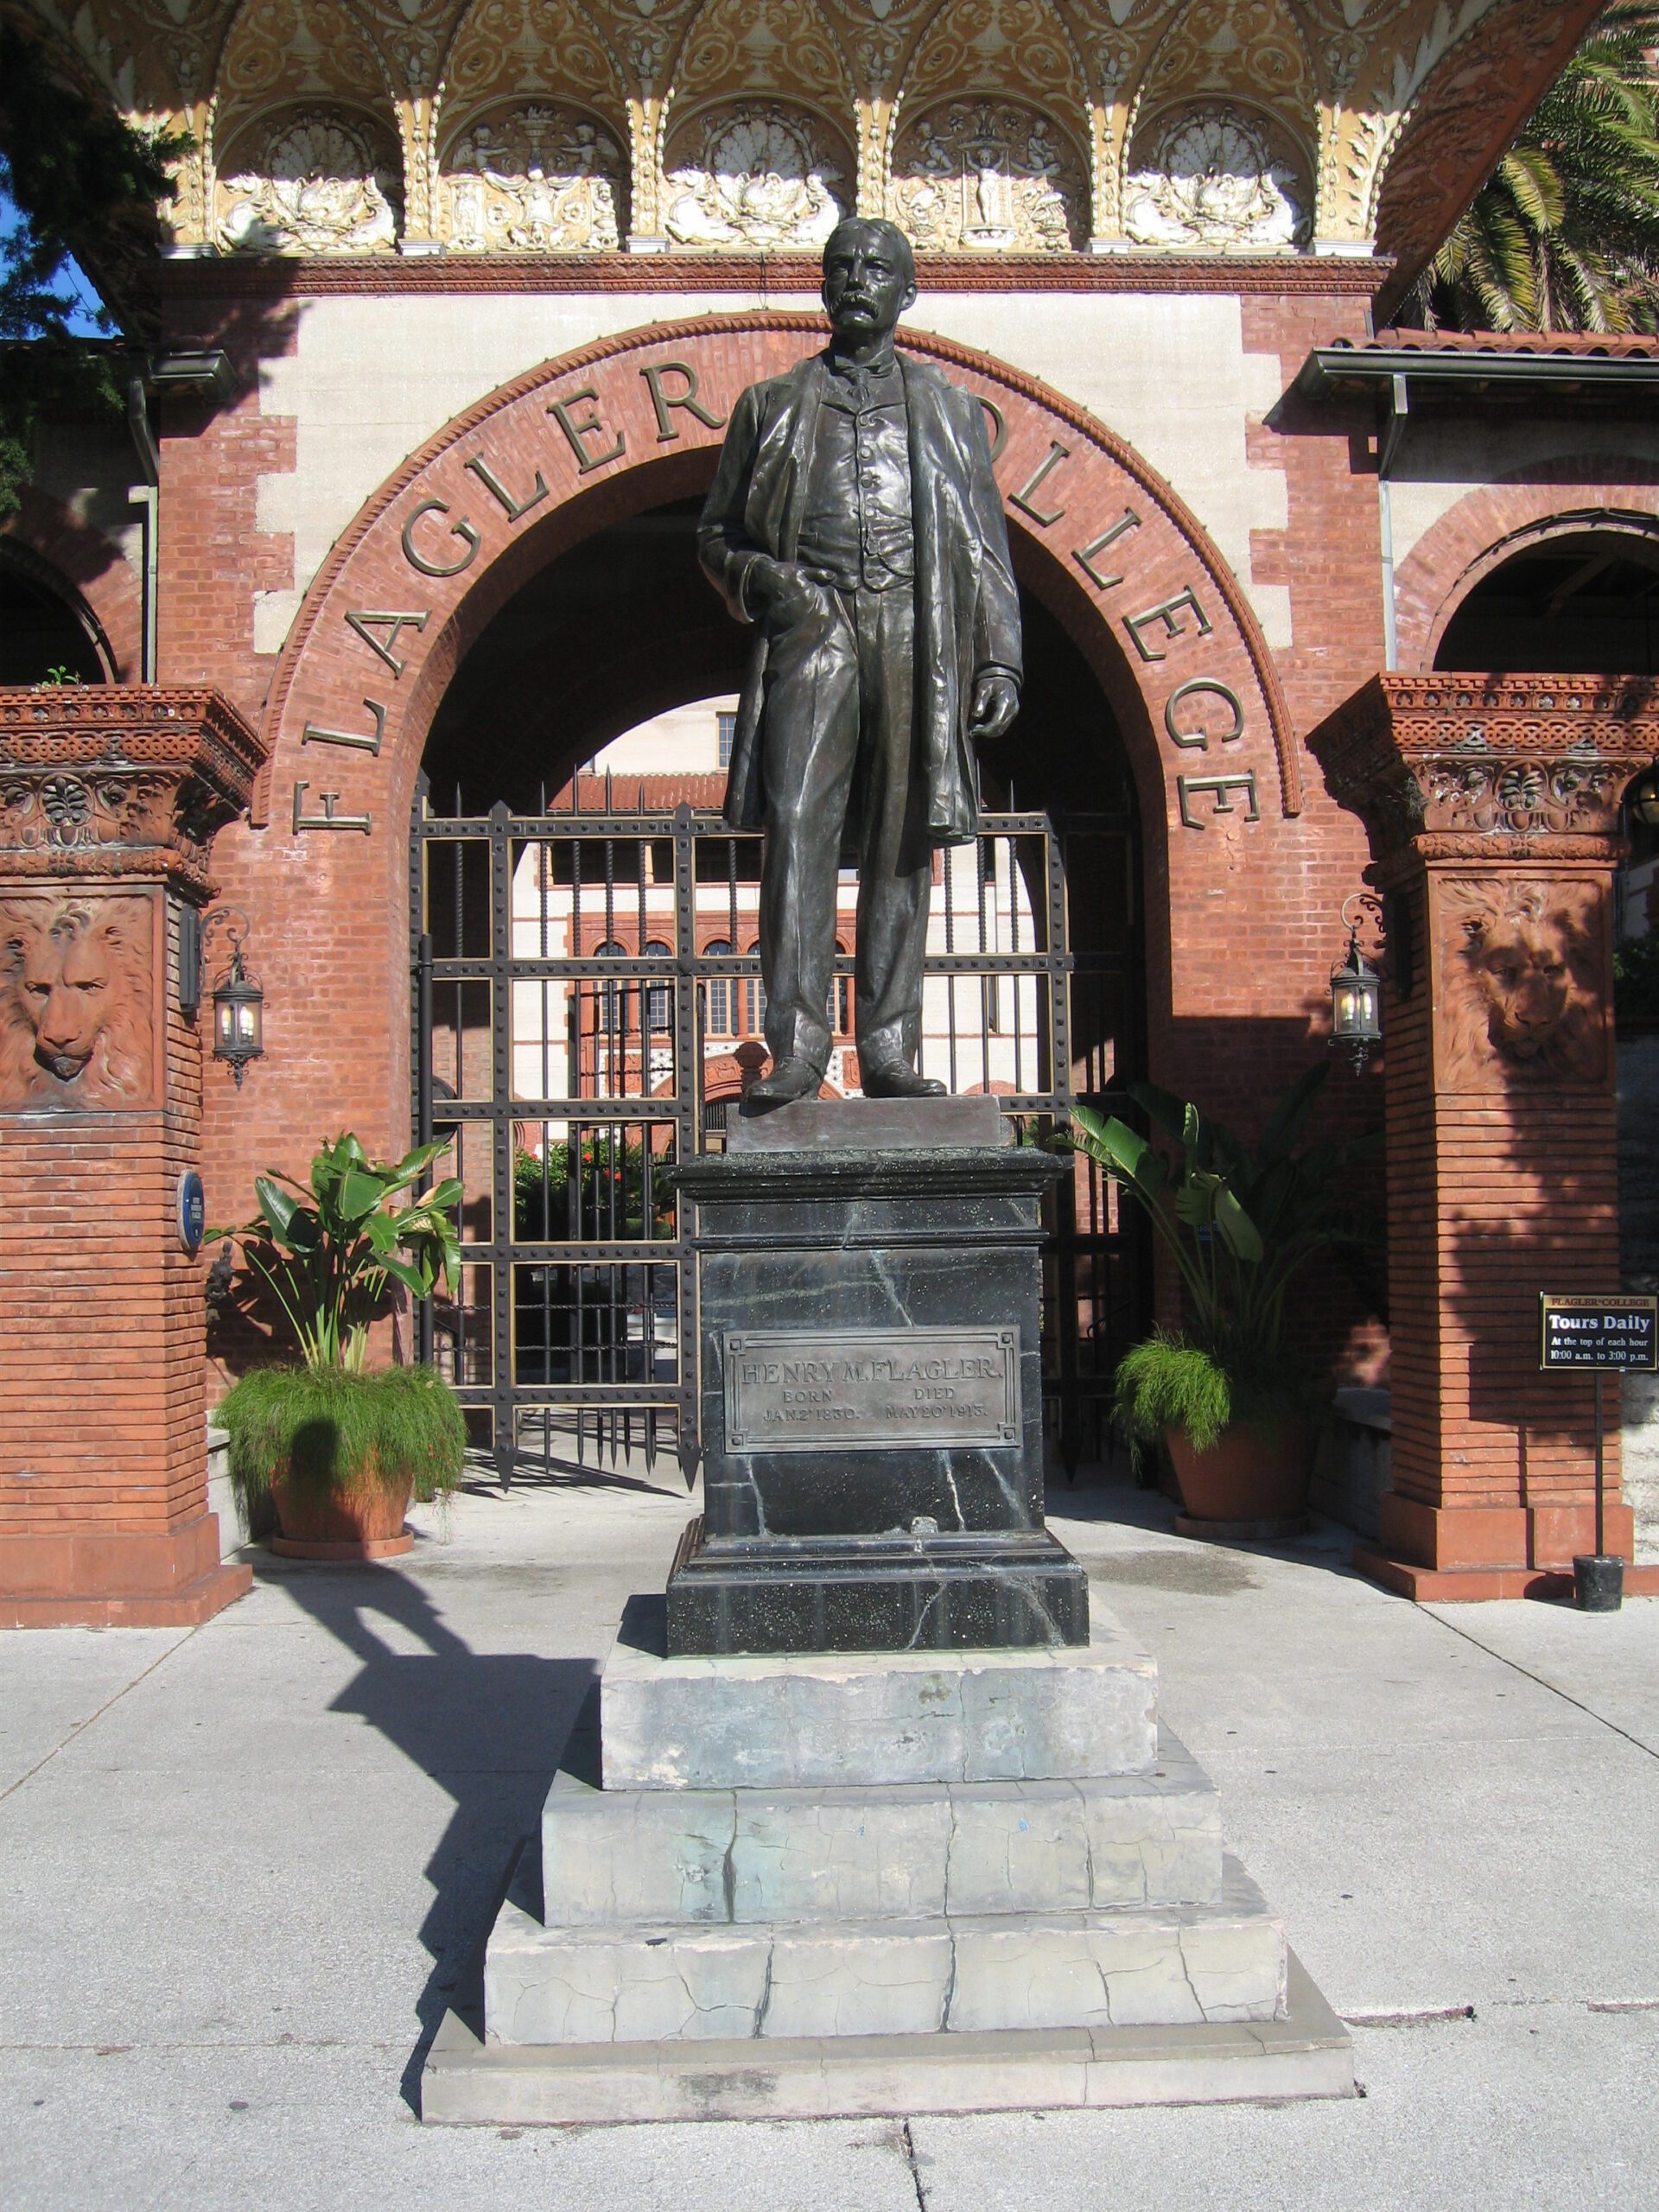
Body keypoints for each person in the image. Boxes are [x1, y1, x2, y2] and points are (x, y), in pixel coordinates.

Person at [697, 216, 1022, 1103]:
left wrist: (1000, 659)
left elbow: (984, 546)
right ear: (824, 285)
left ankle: (888, 1047)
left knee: (901, 836)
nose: (856, 280)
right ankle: (798, 1044)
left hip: (916, 631)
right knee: (798, 825)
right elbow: (717, 535)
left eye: (876, 269)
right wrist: (766, 580)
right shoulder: (770, 406)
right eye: (841, 267)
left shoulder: (952, 411)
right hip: (813, 627)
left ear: (906, 291)